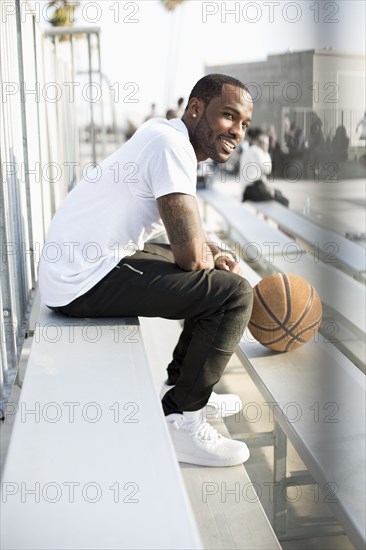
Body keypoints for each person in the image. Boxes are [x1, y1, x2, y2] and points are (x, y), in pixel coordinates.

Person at [38, 74, 254, 468]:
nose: (237, 131)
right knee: (233, 295)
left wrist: (211, 249)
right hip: (80, 281)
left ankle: (181, 383)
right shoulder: (172, 146)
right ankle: (182, 419)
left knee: (214, 277)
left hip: (79, 265)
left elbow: (185, 231)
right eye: (229, 116)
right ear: (196, 109)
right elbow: (189, 255)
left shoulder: (164, 133)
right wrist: (202, 254)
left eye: (244, 124)